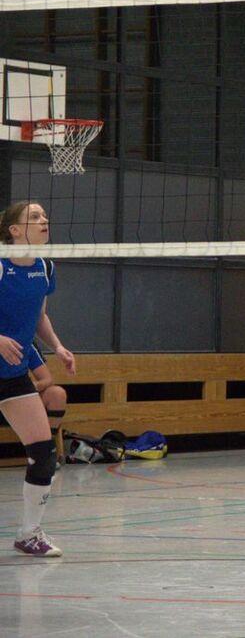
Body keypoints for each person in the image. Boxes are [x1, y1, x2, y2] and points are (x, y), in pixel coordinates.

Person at [0, 200, 74, 557]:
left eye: (45, 215)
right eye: (34, 217)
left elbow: (39, 315)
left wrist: (57, 346)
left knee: (44, 454)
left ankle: (29, 533)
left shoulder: (45, 267)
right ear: (14, 230)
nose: (44, 220)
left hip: (12, 373)